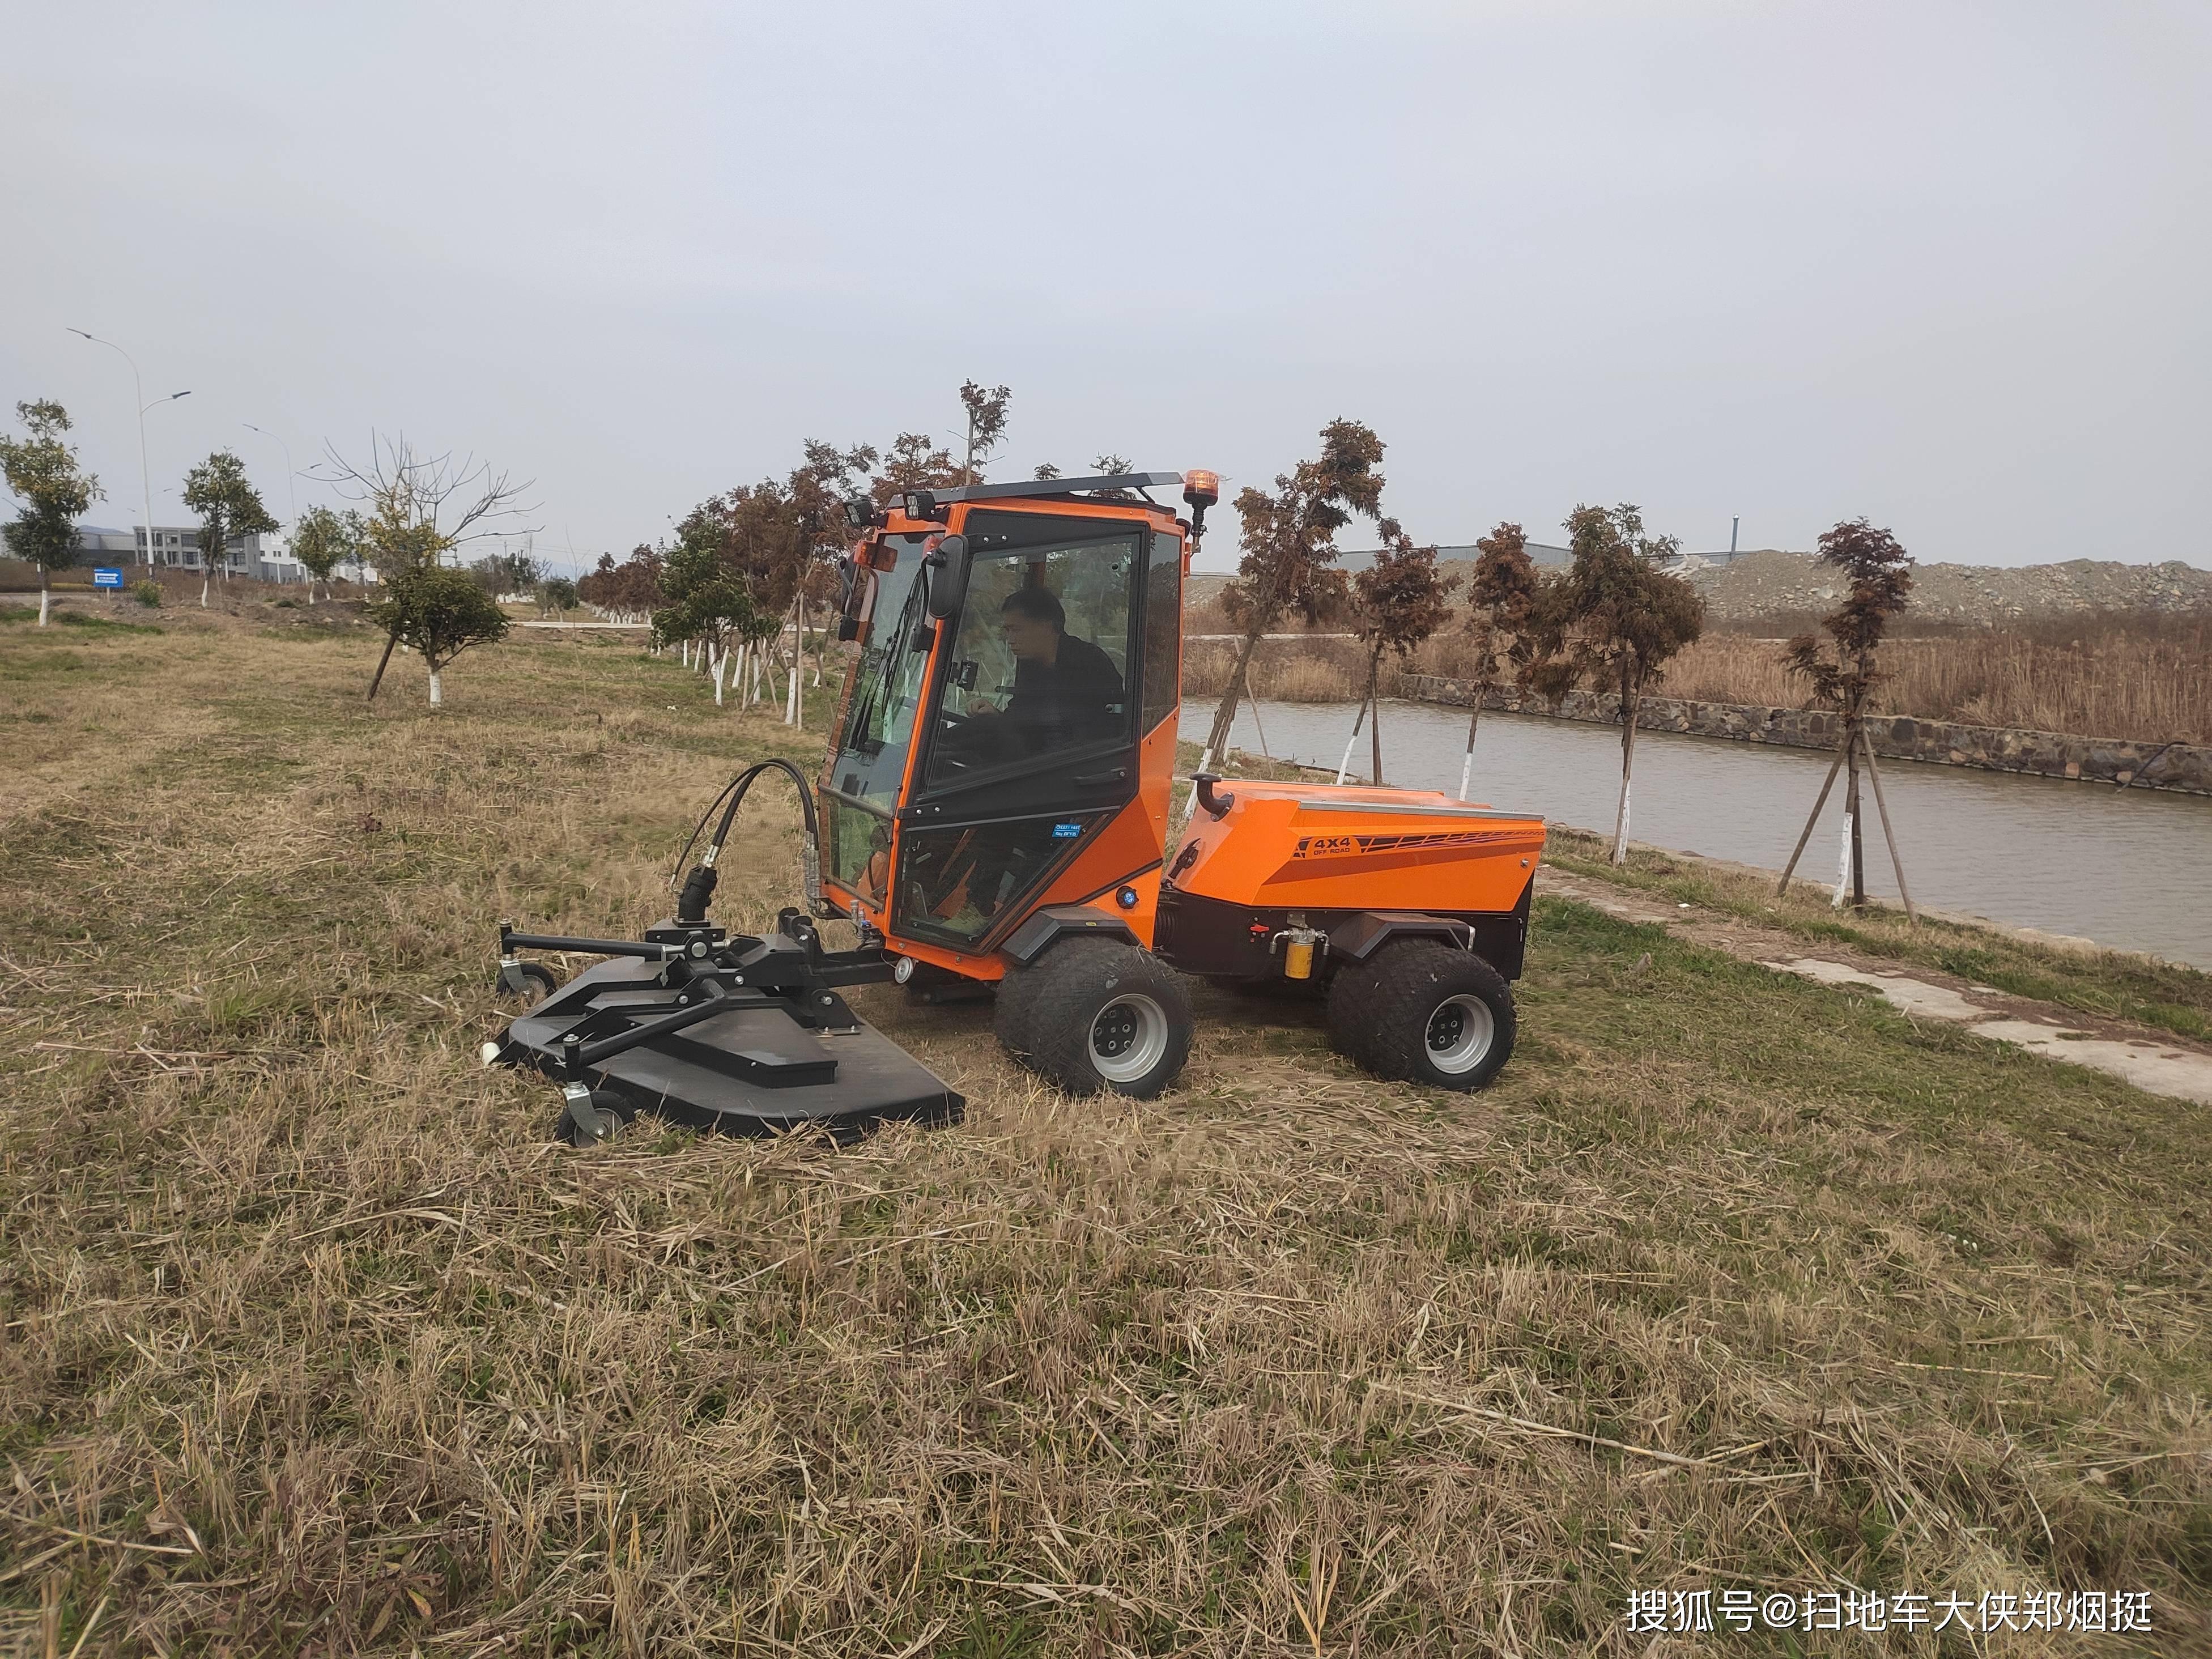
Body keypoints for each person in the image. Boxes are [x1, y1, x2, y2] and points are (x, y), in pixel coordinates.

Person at [964, 585, 1125, 755]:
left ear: (1047, 627)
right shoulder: (1030, 662)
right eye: (1008, 631)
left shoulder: (1089, 664)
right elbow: (1022, 719)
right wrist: (994, 715)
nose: (1010, 640)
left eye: (1016, 630)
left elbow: (1097, 734)